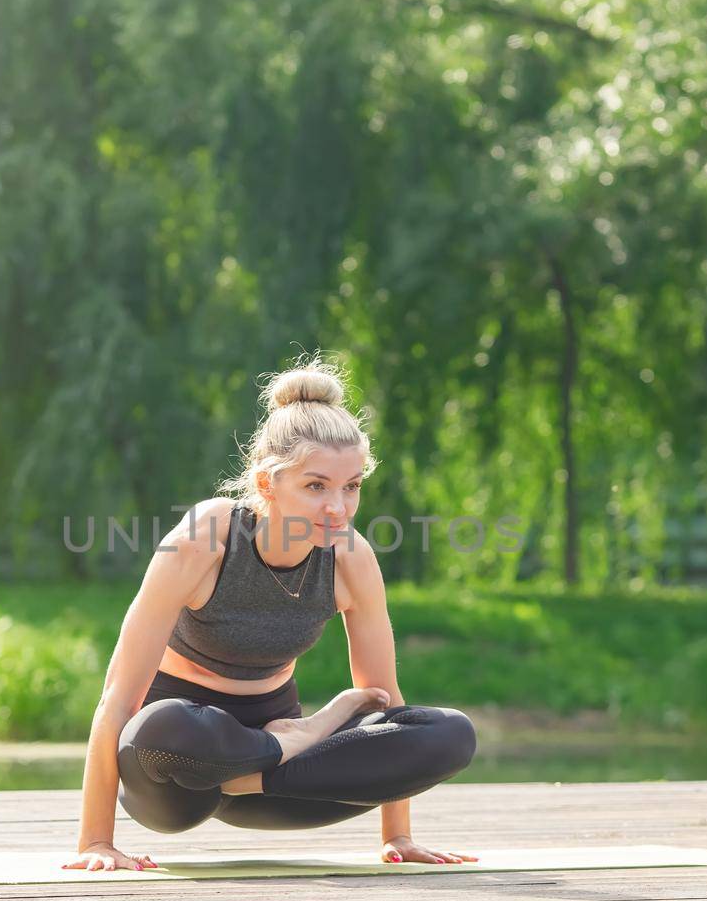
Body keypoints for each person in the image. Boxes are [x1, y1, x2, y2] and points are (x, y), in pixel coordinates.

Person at [64, 354, 478, 871]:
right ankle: (302, 733)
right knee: (165, 728)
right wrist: (95, 842)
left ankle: (269, 759)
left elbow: (385, 702)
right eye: (315, 486)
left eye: (350, 487)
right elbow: (118, 699)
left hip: (276, 783)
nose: (339, 508)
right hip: (180, 770)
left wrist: (398, 835)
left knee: (449, 733)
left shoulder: (351, 558)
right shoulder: (205, 539)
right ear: (266, 484)